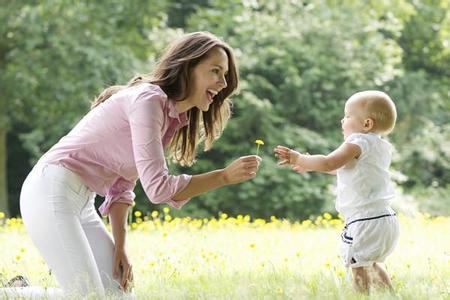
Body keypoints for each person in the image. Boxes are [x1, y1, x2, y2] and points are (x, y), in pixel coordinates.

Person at [3, 31, 261, 298]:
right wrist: (223, 177)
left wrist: (120, 248)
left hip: (81, 203)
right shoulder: (149, 100)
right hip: (51, 189)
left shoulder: (168, 118)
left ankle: (19, 292)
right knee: (86, 296)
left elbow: (123, 186)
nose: (223, 83)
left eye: (225, 75)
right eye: (216, 71)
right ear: (188, 67)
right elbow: (158, 188)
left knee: (121, 294)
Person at [274, 90, 399, 293]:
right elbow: (337, 167)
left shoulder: (357, 141)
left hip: (364, 220)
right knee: (371, 264)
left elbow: (328, 162)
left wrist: (299, 158)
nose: (342, 120)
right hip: (385, 219)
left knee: (358, 266)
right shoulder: (381, 146)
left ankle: (360, 297)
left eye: (348, 116)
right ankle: (392, 296)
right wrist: (310, 165)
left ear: (366, 124)